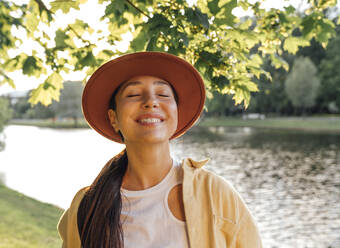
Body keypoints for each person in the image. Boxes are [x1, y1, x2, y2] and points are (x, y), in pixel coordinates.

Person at [57, 52, 262, 248]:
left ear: (175, 112)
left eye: (163, 94)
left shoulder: (216, 193)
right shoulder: (86, 206)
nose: (151, 102)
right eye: (134, 94)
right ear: (113, 118)